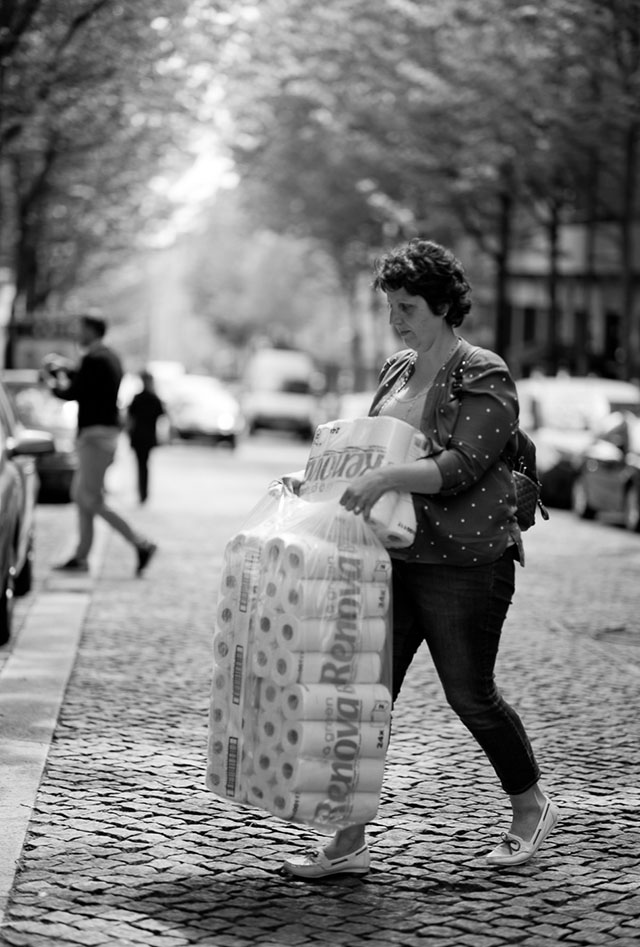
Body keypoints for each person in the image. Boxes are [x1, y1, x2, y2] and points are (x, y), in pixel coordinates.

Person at [281, 238, 558, 879]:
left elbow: (463, 466)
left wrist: (384, 481)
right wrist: (318, 479)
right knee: (367, 695)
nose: (396, 318)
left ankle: (531, 805)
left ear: (442, 306)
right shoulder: (397, 371)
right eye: (390, 306)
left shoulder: (480, 371)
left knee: (469, 693)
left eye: (407, 306)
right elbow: (370, 448)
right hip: (393, 557)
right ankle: (350, 836)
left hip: (465, 562)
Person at [45, 314, 157, 577]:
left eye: (81, 329)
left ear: (92, 331)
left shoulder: (94, 359)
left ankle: (141, 543)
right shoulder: (108, 358)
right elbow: (90, 383)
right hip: (100, 436)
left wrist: (51, 382)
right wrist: (67, 368)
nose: (77, 333)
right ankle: (82, 555)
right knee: (81, 495)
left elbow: (73, 392)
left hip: (95, 437)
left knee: (89, 498)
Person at [126, 370, 165, 504]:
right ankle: (143, 493)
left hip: (139, 436)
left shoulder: (140, 398)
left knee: (141, 465)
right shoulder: (154, 399)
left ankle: (142, 493)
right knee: (144, 465)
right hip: (146, 437)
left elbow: (130, 419)